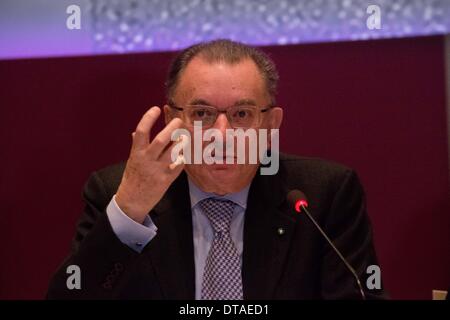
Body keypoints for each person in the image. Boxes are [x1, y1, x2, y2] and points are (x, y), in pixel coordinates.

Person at [47, 39, 386, 299]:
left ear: (270, 125)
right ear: (172, 121)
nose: (221, 136)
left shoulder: (323, 195)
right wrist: (129, 213)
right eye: (201, 114)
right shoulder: (116, 192)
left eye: (241, 114)